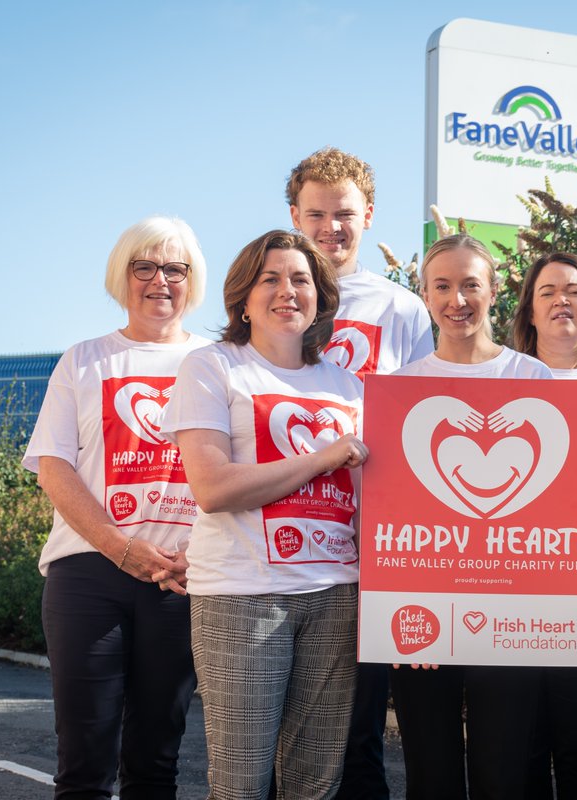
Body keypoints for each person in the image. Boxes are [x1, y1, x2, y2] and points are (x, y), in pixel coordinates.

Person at [161, 230, 368, 800]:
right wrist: (323, 456)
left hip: (336, 592)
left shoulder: (348, 386)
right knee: (240, 782)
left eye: (301, 279)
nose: (287, 291)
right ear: (242, 299)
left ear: (322, 297)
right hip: (243, 593)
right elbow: (213, 486)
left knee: (315, 782)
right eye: (269, 279)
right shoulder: (212, 367)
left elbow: (370, 501)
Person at [23, 215, 209, 799]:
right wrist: (120, 547)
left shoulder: (217, 363)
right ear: (121, 276)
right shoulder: (85, 360)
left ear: (192, 279)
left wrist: (191, 557)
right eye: (144, 266)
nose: (160, 280)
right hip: (88, 576)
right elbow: (53, 467)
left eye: (175, 268)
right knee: (84, 764)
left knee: (157, 761)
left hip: (182, 579)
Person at [285, 147, 434, 799]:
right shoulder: (274, 299)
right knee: (280, 736)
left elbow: (427, 419)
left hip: (373, 547)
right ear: (294, 214)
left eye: (343, 213)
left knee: (358, 736)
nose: (330, 227)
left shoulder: (400, 309)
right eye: (315, 213)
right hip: (286, 549)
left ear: (368, 215)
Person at [389, 234, 553, 800]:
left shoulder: (535, 380)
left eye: (470, 284)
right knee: (429, 775)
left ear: (495, 291)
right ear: (425, 294)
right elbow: (394, 514)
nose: (457, 299)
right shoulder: (399, 388)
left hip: (512, 613)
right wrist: (417, 610)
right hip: (420, 617)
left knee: (503, 773)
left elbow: (550, 511)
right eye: (442, 286)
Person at [510, 252, 577, 798]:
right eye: (547, 291)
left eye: (575, 291)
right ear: (527, 309)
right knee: (518, 746)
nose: (561, 301)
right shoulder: (498, 383)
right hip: (511, 595)